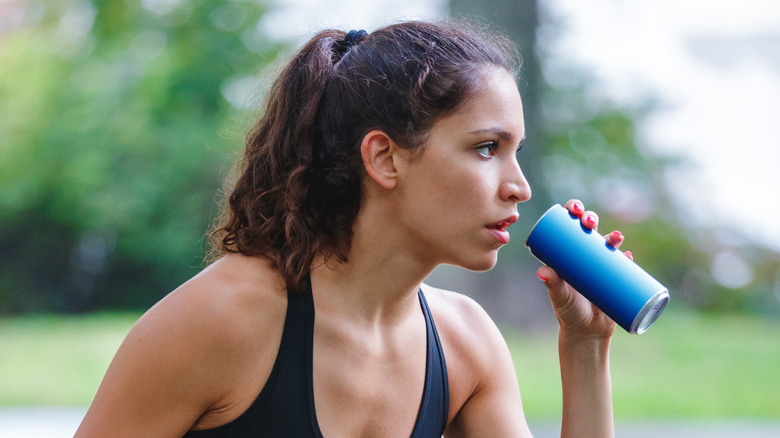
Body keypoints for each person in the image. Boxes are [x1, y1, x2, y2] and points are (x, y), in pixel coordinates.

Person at [76, 20, 628, 437]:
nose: (519, 187)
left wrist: (586, 347)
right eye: (486, 148)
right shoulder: (224, 319)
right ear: (384, 158)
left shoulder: (466, 343)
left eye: (516, 151)